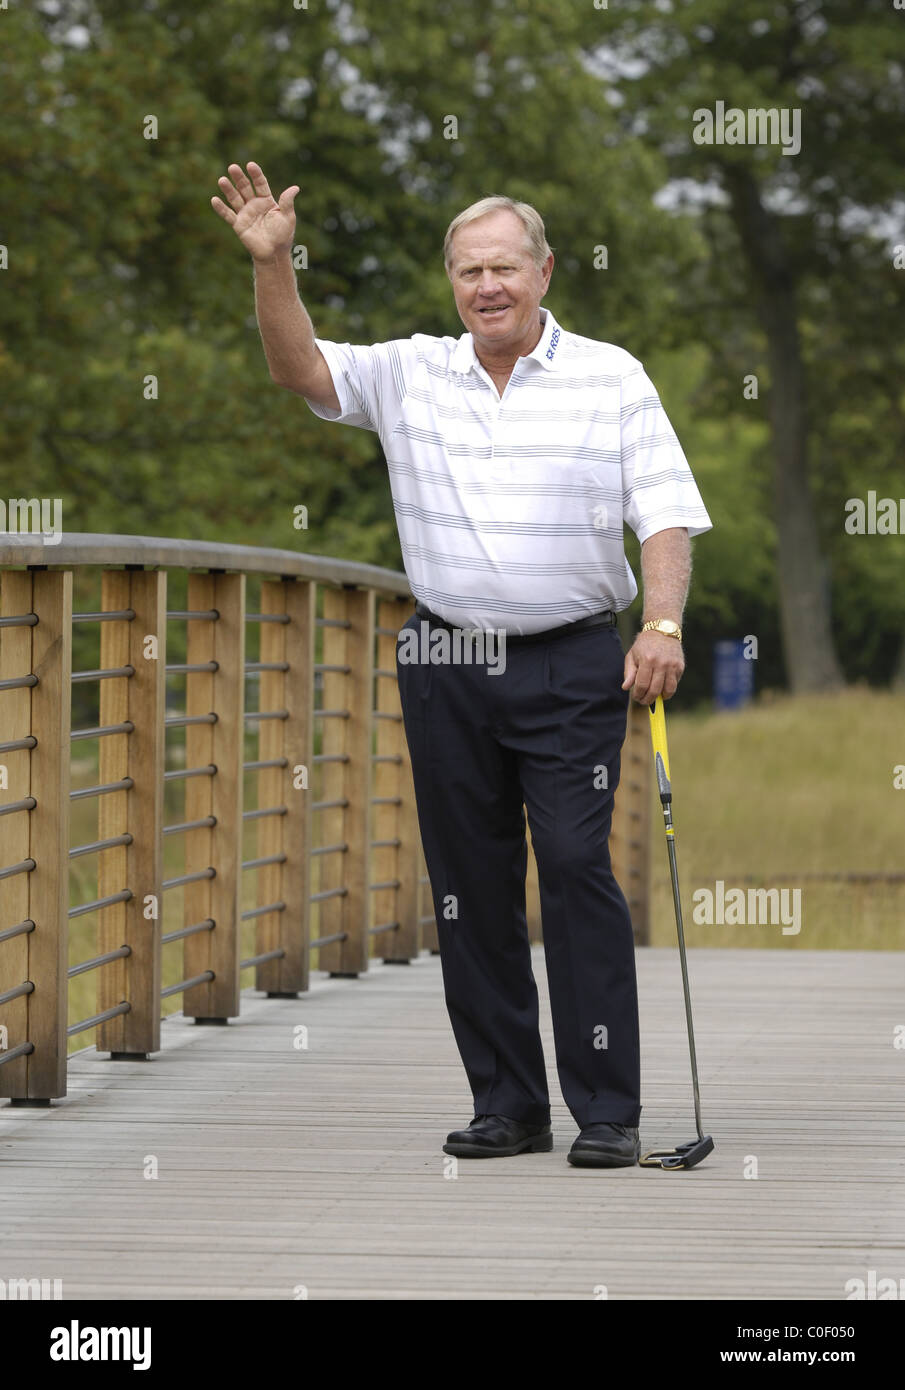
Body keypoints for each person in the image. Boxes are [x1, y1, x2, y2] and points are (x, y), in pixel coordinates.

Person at [212, 162, 712, 1168]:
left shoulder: (610, 376)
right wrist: (273, 264)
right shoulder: (409, 372)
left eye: (504, 268)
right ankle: (508, 1104)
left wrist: (659, 621)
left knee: (574, 867)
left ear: (543, 272)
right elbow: (299, 369)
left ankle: (606, 1109)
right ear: (451, 283)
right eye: (467, 271)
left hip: (573, 658)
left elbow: (661, 510)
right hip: (444, 656)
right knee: (468, 885)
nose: (486, 286)